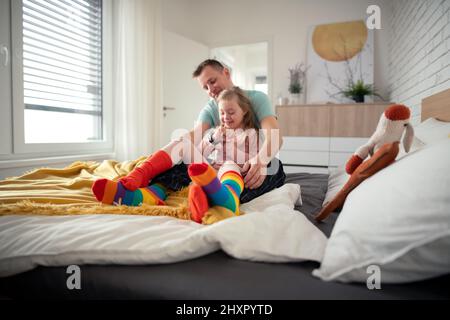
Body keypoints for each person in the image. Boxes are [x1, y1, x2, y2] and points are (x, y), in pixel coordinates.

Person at [91, 60, 285, 218]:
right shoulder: (211, 108)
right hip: (216, 164)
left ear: (226, 72)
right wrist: (162, 158)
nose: (211, 90)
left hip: (250, 163)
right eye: (205, 87)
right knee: (180, 160)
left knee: (273, 166)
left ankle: (220, 197)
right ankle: (143, 190)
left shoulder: (256, 98)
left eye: (213, 81)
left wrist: (259, 160)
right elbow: (191, 140)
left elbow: (274, 137)